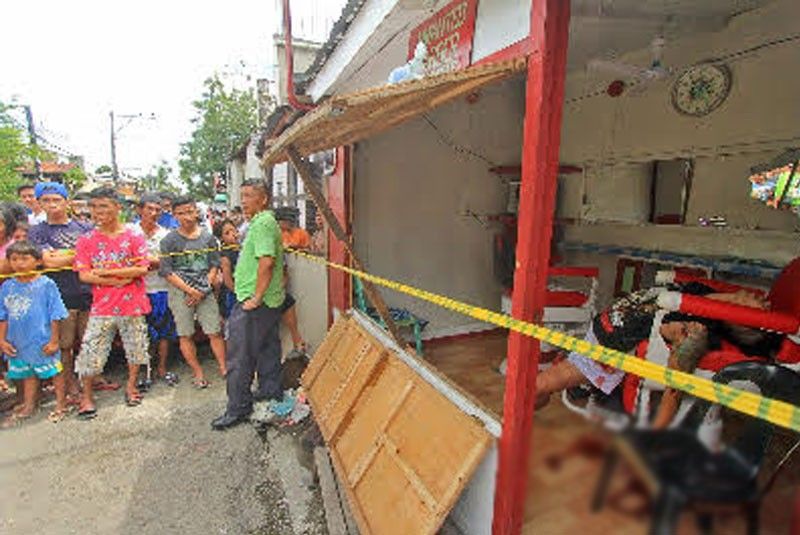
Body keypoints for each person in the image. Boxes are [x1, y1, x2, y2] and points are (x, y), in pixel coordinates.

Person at [212, 180, 284, 430]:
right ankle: (270, 392)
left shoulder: (263, 222)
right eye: (242, 195)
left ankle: (238, 408)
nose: (243, 200)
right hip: (265, 301)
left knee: (240, 357)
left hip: (257, 302)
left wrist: (256, 297)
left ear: (263, 199)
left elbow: (267, 262)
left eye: (249, 196)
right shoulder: (258, 222)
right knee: (267, 349)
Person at [73, 188, 151, 419]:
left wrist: (105, 272)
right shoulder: (86, 240)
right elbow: (84, 275)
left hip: (132, 304)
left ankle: (131, 386)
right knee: (91, 350)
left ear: (118, 207)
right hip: (101, 306)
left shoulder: (134, 236)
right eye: (94, 207)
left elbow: (142, 267)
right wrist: (119, 278)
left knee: (136, 348)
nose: (98, 212)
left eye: (104, 206)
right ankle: (86, 397)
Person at [28, 182, 94, 402]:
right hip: (58, 296)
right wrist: (77, 254)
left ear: (67, 202)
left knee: (89, 341)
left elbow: (93, 255)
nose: (52, 204)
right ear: (39, 203)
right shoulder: (37, 232)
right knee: (65, 345)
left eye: (56, 199)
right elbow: (47, 261)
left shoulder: (84, 227)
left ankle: (90, 382)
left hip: (88, 291)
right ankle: (70, 385)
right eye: (46, 200)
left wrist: (63, 256)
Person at [0, 241, 69, 428]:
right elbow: (3, 316)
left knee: (54, 371)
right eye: (14, 259)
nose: (19, 263)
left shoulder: (46, 284)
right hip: (18, 341)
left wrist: (54, 340)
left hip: (42, 338)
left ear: (38, 261)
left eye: (24, 258)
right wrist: (2, 340)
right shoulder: (7, 286)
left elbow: (56, 314)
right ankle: (30, 405)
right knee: (28, 373)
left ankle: (61, 404)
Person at [159, 196, 226, 387]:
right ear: (174, 215)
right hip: (181, 293)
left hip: (205, 291)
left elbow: (214, 265)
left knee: (214, 331)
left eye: (189, 211)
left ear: (196, 211)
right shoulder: (169, 241)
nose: (186, 216)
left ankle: (224, 368)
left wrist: (203, 290)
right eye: (181, 213)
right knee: (185, 334)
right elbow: (167, 271)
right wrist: (191, 291)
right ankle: (198, 373)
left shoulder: (208, 238)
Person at [129, 193, 178, 386]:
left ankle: (162, 368)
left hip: (162, 289)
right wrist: (148, 262)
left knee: (164, 332)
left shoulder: (165, 235)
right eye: (149, 209)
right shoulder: (129, 232)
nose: (153, 213)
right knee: (141, 334)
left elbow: (168, 262)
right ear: (139, 210)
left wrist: (142, 262)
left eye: (158, 210)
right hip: (136, 290)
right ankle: (144, 372)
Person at [274, 207, 308, 357]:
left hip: (284, 281)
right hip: (271, 285)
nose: (290, 222)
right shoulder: (274, 235)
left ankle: (297, 343)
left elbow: (309, 251)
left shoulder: (301, 233)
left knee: (287, 303)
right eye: (286, 219)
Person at [212, 219, 239, 321]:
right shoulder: (225, 255)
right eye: (227, 233)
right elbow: (227, 281)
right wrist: (239, 294)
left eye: (233, 230)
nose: (233, 234)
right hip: (230, 295)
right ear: (221, 238)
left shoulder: (240, 248)